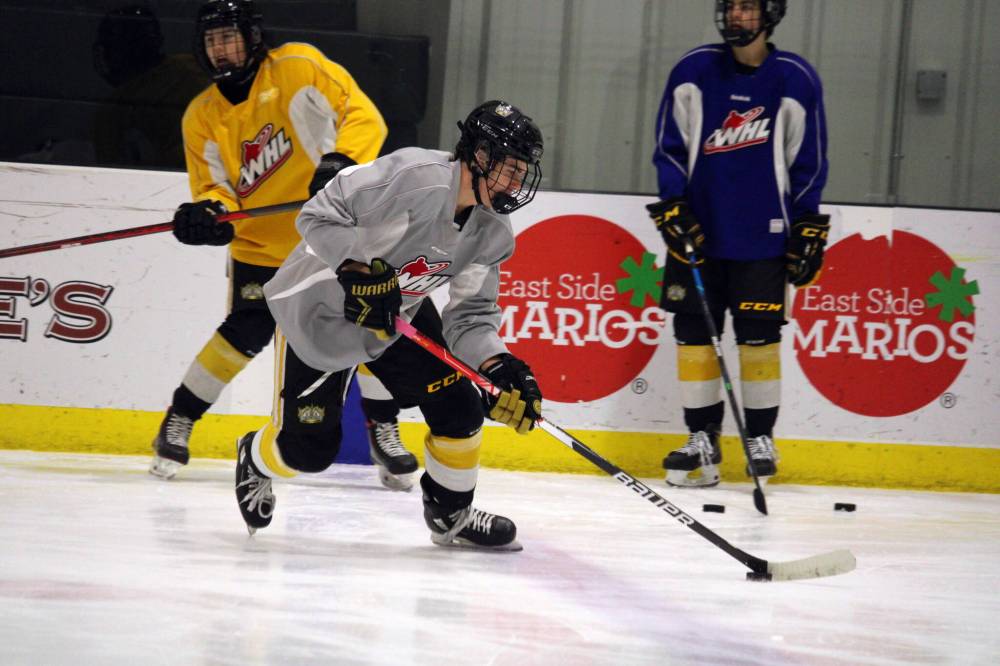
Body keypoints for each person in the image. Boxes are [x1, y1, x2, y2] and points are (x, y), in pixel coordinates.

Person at [233, 100, 545, 551]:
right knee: (309, 451)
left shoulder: (492, 230)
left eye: (522, 172)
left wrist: (499, 365)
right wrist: (358, 271)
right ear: (478, 156)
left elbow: (471, 316)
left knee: (460, 407)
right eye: (509, 169)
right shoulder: (412, 177)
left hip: (396, 318)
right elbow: (316, 215)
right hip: (320, 315)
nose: (517, 182)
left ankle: (450, 513)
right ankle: (255, 459)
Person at [151, 0, 419, 491]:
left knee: (368, 326)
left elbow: (364, 118)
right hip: (262, 248)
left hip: (336, 239)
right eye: (212, 41)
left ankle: (383, 426)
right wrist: (210, 215)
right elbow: (214, 188)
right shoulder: (202, 116)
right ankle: (181, 416)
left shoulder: (298, 67)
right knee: (243, 333)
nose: (222, 49)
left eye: (230, 36)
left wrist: (343, 160)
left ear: (253, 37)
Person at [649, 0, 828, 487]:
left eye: (747, 7)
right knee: (694, 339)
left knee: (759, 340)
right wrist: (673, 205)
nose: (736, 17)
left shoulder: (794, 78)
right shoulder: (694, 70)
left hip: (763, 238)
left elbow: (806, 160)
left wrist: (807, 223)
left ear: (770, 14)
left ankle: (759, 439)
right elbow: (669, 146)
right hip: (698, 237)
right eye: (730, 7)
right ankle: (701, 441)